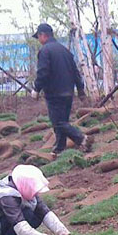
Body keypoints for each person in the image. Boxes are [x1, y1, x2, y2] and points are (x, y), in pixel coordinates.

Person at [31, 23, 93, 156]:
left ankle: (82, 139)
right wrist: (80, 90)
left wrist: (36, 88)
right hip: (68, 92)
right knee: (62, 121)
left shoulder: (45, 51)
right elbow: (75, 72)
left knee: (58, 123)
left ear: (43, 35)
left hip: (54, 93)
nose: (39, 40)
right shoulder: (65, 50)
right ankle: (60, 147)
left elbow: (43, 72)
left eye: (39, 37)